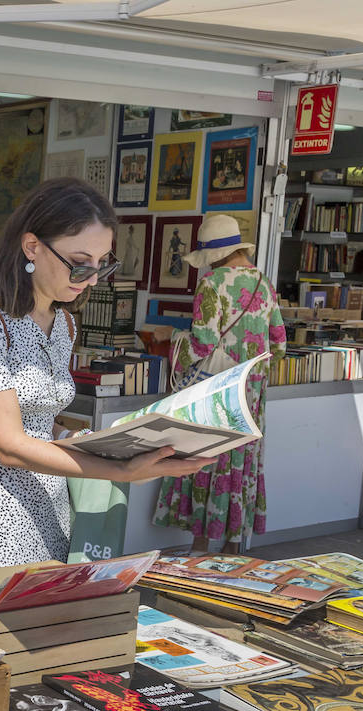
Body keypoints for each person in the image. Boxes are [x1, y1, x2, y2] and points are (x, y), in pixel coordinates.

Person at [0, 178, 209, 575]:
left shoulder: (63, 324)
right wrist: (121, 470)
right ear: (32, 247)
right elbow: (8, 445)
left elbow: (38, 422)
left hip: (50, 514)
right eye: (80, 262)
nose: (92, 278)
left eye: (102, 264)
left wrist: (101, 445)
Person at [153, 213, 286, 555]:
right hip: (251, 392)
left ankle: (199, 545)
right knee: (240, 461)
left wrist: (173, 338)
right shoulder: (264, 282)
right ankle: (232, 548)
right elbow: (280, 344)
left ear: (213, 255)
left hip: (217, 390)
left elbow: (201, 345)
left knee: (206, 457)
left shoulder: (212, 284)